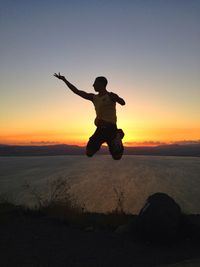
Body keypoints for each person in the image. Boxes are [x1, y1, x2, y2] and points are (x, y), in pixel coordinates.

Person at [54, 73, 125, 160]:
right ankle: (116, 137)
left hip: (111, 128)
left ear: (101, 84)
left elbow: (123, 103)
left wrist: (117, 98)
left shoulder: (110, 96)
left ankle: (117, 136)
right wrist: (64, 80)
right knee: (89, 153)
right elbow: (77, 91)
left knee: (117, 157)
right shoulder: (94, 97)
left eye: (95, 83)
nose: (93, 85)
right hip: (100, 129)